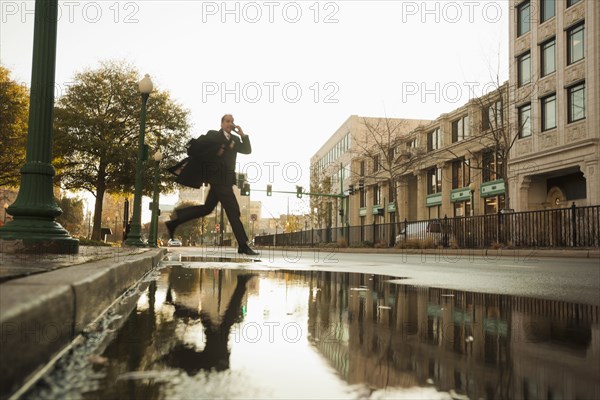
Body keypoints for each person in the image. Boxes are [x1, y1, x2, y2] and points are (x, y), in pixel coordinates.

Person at [166, 114, 259, 256]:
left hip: (226, 180)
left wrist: (243, 135)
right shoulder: (213, 135)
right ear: (221, 123)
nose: (230, 124)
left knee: (207, 208)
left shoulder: (234, 139)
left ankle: (175, 222)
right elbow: (197, 149)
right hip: (218, 180)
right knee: (233, 211)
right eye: (227, 121)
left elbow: (247, 150)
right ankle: (243, 245)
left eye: (232, 121)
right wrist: (214, 155)